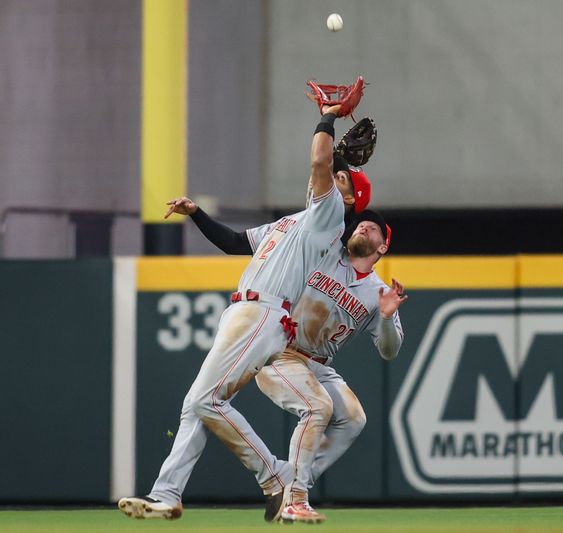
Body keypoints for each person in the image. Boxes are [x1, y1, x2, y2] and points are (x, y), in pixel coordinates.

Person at [118, 100, 370, 523]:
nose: (330, 179)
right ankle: (167, 493)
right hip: (246, 313)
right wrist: (197, 214)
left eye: (341, 179)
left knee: (204, 400)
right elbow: (236, 243)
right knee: (195, 404)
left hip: (264, 313)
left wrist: (327, 116)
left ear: (346, 198)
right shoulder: (294, 221)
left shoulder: (330, 215)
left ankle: (274, 476)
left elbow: (321, 159)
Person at [174, 202, 405, 523]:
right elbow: (236, 243)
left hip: (319, 364)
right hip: (280, 350)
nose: (363, 227)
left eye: (373, 228)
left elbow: (390, 350)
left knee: (353, 419)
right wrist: (198, 214)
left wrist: (385, 317)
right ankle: (295, 494)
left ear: (383, 246)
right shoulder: (322, 251)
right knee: (318, 407)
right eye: (361, 224)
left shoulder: (379, 292)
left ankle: (295, 481)